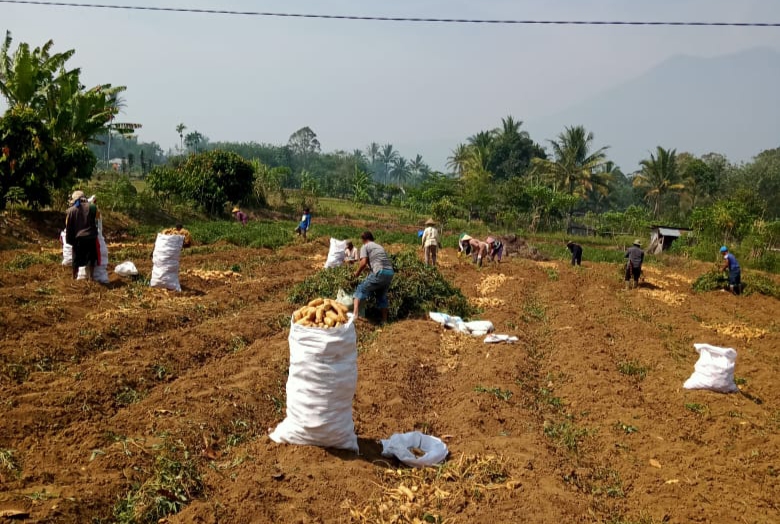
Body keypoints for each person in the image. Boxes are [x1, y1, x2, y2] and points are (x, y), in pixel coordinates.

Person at [353, 231, 394, 324]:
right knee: (381, 295)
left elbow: (363, 262)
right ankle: (384, 321)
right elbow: (378, 260)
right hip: (389, 273)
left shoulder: (365, 246)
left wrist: (356, 274)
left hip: (380, 272)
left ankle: (355, 316)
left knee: (360, 289)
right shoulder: (379, 246)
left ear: (364, 240)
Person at [65, 190, 98, 280]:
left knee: (76, 260)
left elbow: (69, 228)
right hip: (91, 236)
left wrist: (70, 241)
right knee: (91, 258)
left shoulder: (71, 211)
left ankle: (73, 277)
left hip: (78, 238)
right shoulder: (92, 207)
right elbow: (96, 219)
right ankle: (91, 277)